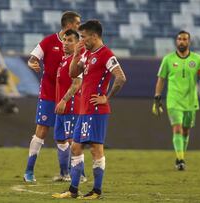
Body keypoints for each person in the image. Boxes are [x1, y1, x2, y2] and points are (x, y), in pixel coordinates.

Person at [52, 20, 127, 199]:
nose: (82, 40)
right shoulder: (86, 52)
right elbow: (72, 74)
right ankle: (73, 190)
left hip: (96, 110)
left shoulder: (106, 54)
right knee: (76, 148)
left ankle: (96, 191)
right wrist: (77, 54)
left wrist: (106, 98)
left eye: (84, 37)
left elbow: (121, 77)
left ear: (94, 36)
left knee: (95, 149)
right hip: (84, 110)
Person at [23, 11, 81, 183]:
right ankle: (29, 171)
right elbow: (32, 58)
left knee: (68, 137)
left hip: (69, 97)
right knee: (41, 131)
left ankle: (69, 172)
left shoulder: (78, 45)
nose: (80, 26)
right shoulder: (49, 41)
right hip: (48, 95)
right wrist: (32, 63)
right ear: (69, 25)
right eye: (78, 24)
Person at [152, 30, 200, 171]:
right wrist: (157, 97)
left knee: (185, 131)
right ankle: (180, 159)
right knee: (177, 128)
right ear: (176, 41)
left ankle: (181, 155)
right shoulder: (168, 59)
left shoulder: (197, 59)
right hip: (173, 100)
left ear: (189, 42)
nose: (182, 41)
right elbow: (161, 79)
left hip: (191, 101)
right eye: (179, 39)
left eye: (184, 39)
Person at [52, 29, 86, 182]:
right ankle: (64, 173)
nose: (65, 43)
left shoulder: (77, 60)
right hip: (61, 107)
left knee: (73, 141)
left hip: (71, 105)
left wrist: (64, 100)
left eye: (70, 40)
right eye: (64, 40)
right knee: (60, 139)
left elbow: (77, 84)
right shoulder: (64, 59)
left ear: (77, 43)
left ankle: (81, 175)